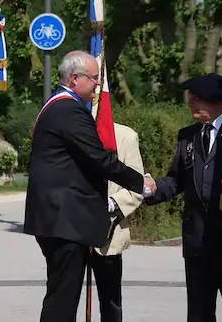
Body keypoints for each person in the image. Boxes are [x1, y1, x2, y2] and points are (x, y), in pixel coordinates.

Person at [23, 51, 155, 322]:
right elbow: (99, 159)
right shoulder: (70, 110)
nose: (98, 84)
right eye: (94, 78)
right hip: (65, 220)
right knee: (62, 300)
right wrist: (140, 183)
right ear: (74, 79)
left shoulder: (55, 106)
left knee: (61, 294)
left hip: (57, 218)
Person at [144, 73, 222, 322]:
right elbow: (176, 179)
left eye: (197, 99)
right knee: (198, 314)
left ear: (217, 101)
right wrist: (152, 189)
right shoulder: (188, 135)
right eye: (190, 98)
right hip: (198, 245)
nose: (191, 103)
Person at [93, 122, 145, 322]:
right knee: (65, 297)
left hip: (110, 232)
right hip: (73, 229)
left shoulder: (126, 136)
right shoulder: (69, 129)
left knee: (111, 302)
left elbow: (137, 185)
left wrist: (112, 203)